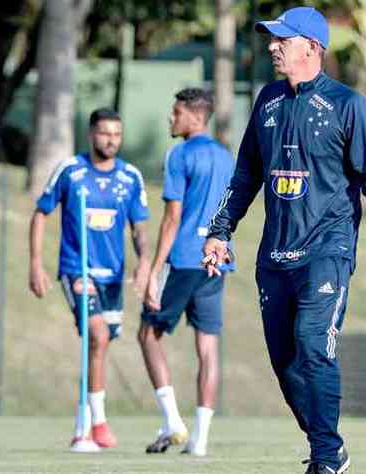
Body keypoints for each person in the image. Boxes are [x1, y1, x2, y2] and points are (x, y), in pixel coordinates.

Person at [201, 7, 366, 474]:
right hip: (274, 256)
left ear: (311, 47)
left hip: (327, 250)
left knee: (314, 344)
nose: (273, 46)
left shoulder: (347, 105)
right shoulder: (267, 101)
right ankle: (328, 446)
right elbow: (245, 175)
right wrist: (220, 231)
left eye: (283, 39)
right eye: (272, 40)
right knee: (286, 364)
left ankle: (325, 458)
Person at [28, 108, 151, 449]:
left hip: (113, 277)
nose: (111, 140)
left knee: (101, 343)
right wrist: (36, 264)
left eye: (116, 134)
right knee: (96, 335)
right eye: (104, 133)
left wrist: (144, 263)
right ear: (91, 134)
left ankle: (84, 424)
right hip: (77, 270)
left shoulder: (131, 177)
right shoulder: (71, 171)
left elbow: (139, 227)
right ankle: (98, 424)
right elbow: (41, 214)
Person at [138, 88, 235, 456]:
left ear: (196, 117)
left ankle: (172, 421)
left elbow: (172, 217)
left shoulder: (178, 154)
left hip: (183, 259)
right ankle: (201, 440)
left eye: (176, 112)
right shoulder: (227, 158)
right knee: (207, 348)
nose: (170, 118)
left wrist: (154, 268)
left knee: (149, 333)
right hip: (217, 261)